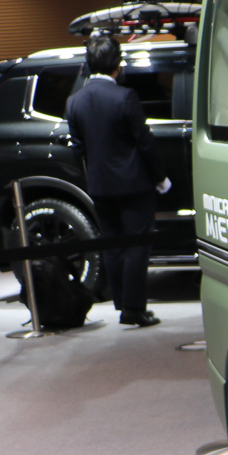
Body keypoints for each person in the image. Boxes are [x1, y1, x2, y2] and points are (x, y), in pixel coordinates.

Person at [66, 33, 166, 327]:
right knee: (137, 245)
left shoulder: (74, 101)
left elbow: (78, 149)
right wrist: (160, 178)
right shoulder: (125, 96)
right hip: (134, 184)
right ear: (117, 65)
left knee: (113, 244)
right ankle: (134, 310)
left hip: (99, 185)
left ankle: (122, 303)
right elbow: (144, 142)